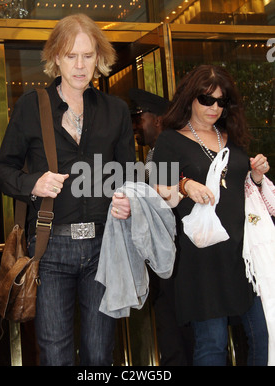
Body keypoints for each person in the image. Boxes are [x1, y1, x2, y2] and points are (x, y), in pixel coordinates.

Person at [0, 14, 135, 366]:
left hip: (104, 245)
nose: (80, 65)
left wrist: (128, 200)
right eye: (71, 56)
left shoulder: (115, 110)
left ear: (99, 58)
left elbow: (129, 176)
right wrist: (33, 184)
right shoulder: (31, 106)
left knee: (100, 354)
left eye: (88, 56)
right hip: (51, 247)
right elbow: (1, 169)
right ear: (56, 57)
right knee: (55, 353)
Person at [152, 64, 269, 366]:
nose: (214, 107)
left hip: (244, 253)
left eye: (221, 101)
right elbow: (158, 190)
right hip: (201, 257)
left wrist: (255, 176)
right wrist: (185, 184)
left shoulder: (232, 137)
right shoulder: (170, 140)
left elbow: (240, 187)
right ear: (190, 99)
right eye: (207, 100)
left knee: (264, 334)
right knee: (212, 345)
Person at [129, 88, 194, 366]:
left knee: (181, 339)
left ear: (157, 120)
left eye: (139, 118)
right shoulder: (152, 157)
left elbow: (163, 206)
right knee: (171, 336)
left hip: (177, 265)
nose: (135, 126)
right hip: (165, 265)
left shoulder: (168, 154)